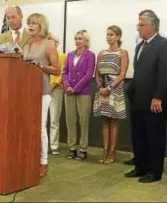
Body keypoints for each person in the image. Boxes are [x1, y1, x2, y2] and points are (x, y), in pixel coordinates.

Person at [125, 10, 167, 183]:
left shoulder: (165, 45)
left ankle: (154, 172)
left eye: (142, 24)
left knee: (155, 136)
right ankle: (140, 167)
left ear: (152, 26)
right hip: (137, 98)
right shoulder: (140, 45)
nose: (138, 28)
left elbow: (166, 73)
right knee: (138, 135)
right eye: (138, 24)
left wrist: (158, 97)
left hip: (154, 100)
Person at [22, 13, 59, 177]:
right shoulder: (26, 46)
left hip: (42, 92)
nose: (30, 26)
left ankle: (43, 162)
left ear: (41, 26)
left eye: (34, 23)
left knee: (40, 127)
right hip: (25, 92)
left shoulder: (48, 44)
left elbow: (57, 69)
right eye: (29, 23)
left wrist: (41, 66)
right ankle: (28, 158)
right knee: (27, 127)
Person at [93, 25, 129, 164]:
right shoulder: (101, 53)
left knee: (113, 120)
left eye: (112, 34)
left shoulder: (123, 53)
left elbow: (122, 73)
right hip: (101, 89)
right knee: (104, 120)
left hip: (114, 89)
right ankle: (105, 149)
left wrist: (109, 87)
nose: (109, 37)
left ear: (118, 37)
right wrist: (100, 86)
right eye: (107, 34)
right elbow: (96, 72)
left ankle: (112, 152)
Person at [63, 30, 96, 161]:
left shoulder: (90, 55)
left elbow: (88, 75)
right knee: (70, 120)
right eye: (76, 38)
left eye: (80, 38)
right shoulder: (70, 55)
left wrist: (76, 88)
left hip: (83, 93)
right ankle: (72, 147)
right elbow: (64, 72)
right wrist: (67, 86)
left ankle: (83, 148)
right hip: (69, 92)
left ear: (86, 41)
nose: (77, 41)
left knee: (83, 121)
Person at [47, 33, 66, 155]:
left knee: (54, 119)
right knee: (42, 120)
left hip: (56, 90)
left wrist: (53, 85)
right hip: (42, 90)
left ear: (56, 43)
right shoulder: (44, 55)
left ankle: (54, 146)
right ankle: (42, 144)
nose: (48, 42)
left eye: (51, 40)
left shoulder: (61, 55)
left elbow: (63, 73)